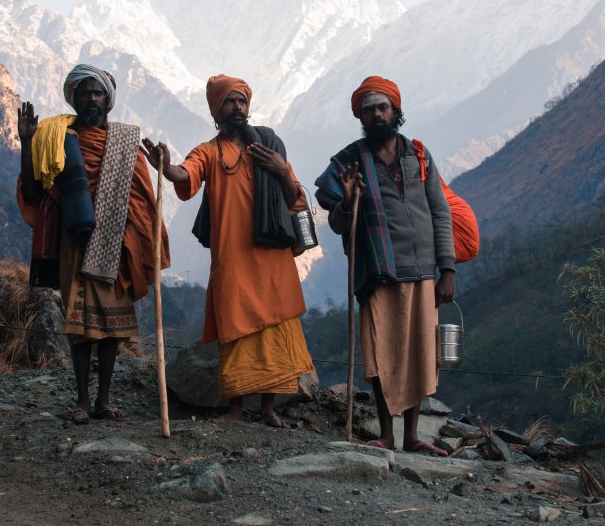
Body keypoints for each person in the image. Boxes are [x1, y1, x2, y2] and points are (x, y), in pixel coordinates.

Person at [141, 74, 313, 427]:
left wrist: (281, 170)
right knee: (235, 326)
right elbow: (184, 174)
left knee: (276, 329)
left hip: (273, 257)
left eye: (241, 102)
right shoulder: (209, 151)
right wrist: (165, 167)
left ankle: (267, 408)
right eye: (229, 102)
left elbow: (295, 198)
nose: (237, 107)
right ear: (216, 112)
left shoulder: (269, 146)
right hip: (233, 259)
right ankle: (235, 408)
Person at [16, 64, 169, 423]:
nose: (92, 99)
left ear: (108, 100)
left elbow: (143, 201)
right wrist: (27, 142)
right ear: (75, 98)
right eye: (85, 93)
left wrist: (137, 235)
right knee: (79, 325)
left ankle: (104, 401)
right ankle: (82, 400)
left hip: (117, 242)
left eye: (98, 93)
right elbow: (34, 189)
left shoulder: (126, 143)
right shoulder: (56, 137)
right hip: (75, 240)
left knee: (111, 330)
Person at [315, 75, 455, 455]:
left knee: (419, 353)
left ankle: (412, 437)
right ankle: (387, 435)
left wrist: (447, 269)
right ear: (360, 117)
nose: (377, 115)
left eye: (383, 108)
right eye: (369, 110)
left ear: (396, 111)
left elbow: (440, 212)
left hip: (423, 270)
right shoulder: (348, 162)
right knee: (382, 352)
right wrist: (348, 201)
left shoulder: (419, 156)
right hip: (378, 270)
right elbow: (338, 223)